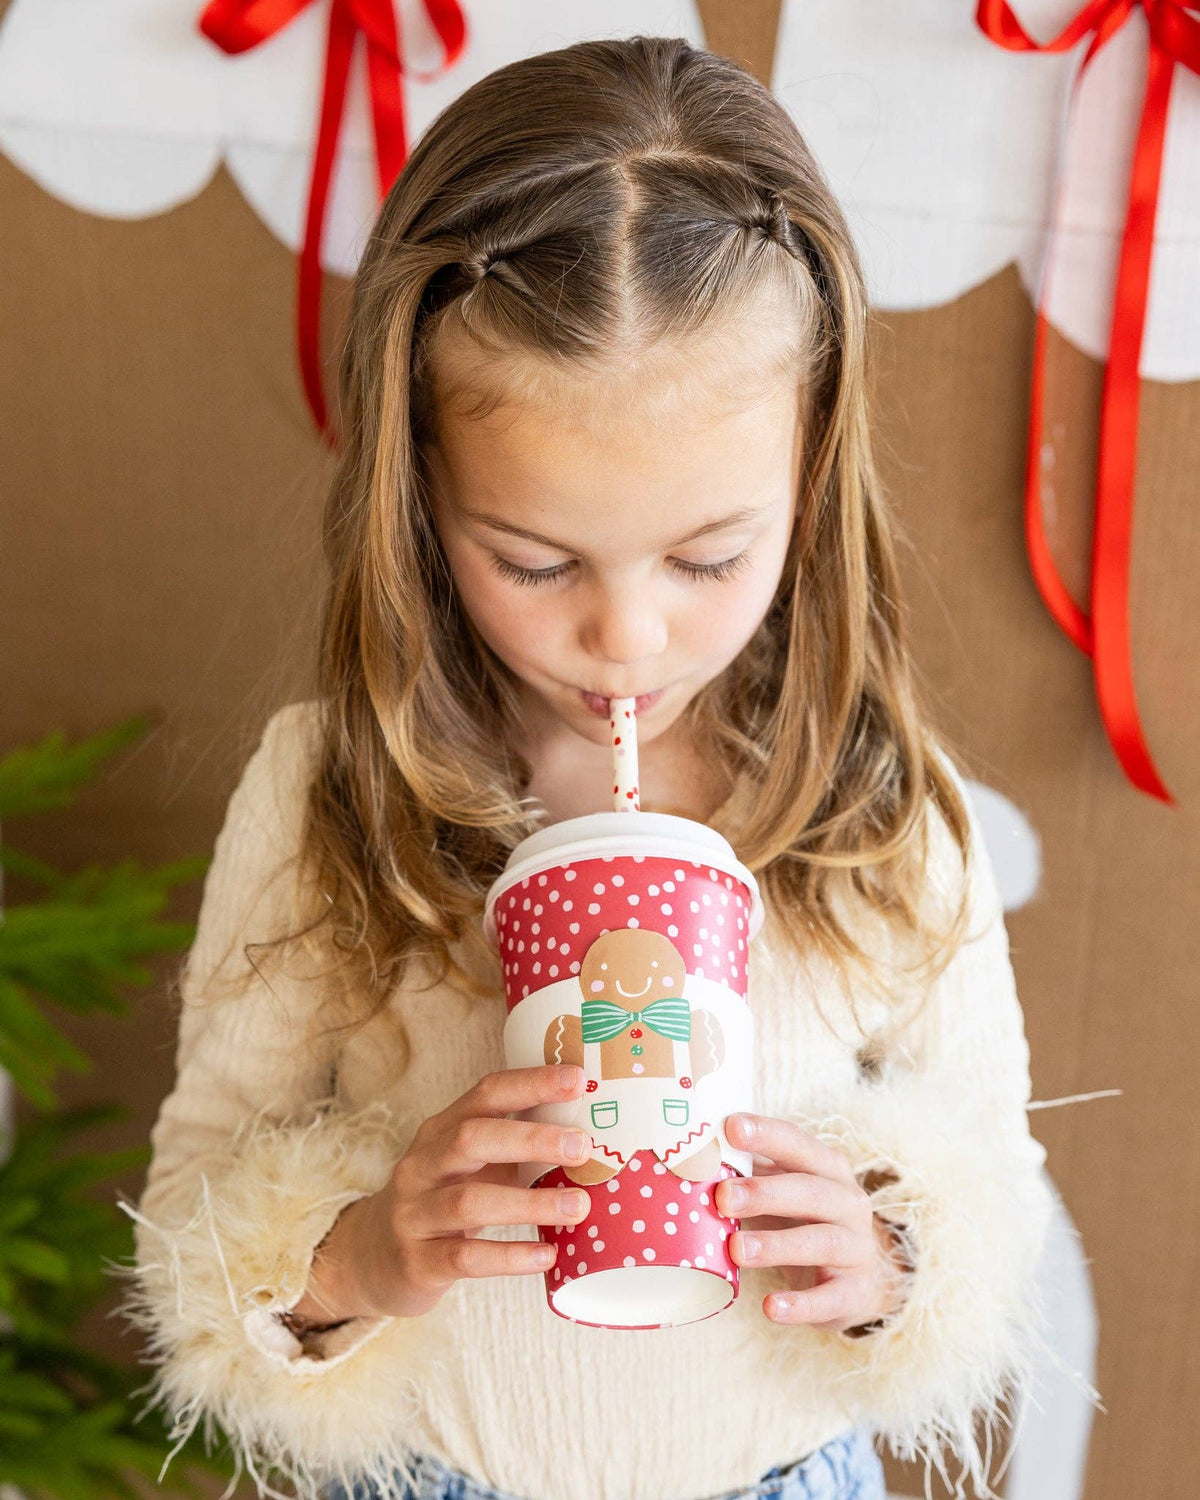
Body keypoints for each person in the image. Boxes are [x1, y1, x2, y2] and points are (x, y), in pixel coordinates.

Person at [113, 34, 1074, 1500]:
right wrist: (363, 1251)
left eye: (708, 555)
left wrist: (892, 1261)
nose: (626, 633)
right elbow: (195, 1217)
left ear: (811, 482)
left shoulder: (882, 812)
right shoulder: (333, 800)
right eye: (535, 557)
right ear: (419, 496)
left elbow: (997, 1203)